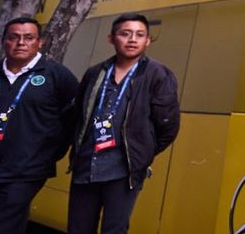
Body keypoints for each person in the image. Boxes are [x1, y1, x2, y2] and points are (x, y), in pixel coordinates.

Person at [67, 13, 180, 234]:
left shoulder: (159, 75)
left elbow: (168, 126)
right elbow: (78, 115)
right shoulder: (95, 73)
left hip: (123, 171)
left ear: (148, 40)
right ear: (111, 38)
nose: (132, 40)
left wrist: (141, 151)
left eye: (140, 35)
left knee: (115, 229)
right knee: (78, 228)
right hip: (87, 165)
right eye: (125, 34)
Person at [0, 17, 78, 234]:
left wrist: (48, 154)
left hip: (26, 171)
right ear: (3, 41)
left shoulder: (57, 76)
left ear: (40, 42)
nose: (21, 43)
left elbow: (74, 120)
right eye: (14, 37)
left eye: (28, 38)